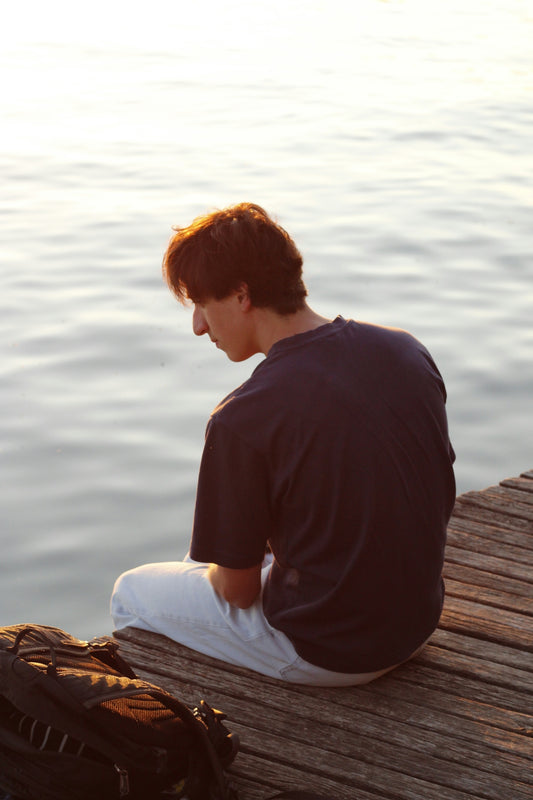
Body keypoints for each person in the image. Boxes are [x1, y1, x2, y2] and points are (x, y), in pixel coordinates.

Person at [111, 202, 456, 686]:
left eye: (202, 304)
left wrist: (218, 569)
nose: (198, 326)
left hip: (332, 652)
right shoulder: (404, 350)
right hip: (416, 621)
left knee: (132, 591)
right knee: (218, 556)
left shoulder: (243, 416)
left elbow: (238, 593)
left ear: (241, 295)